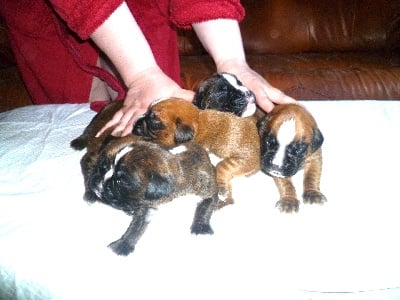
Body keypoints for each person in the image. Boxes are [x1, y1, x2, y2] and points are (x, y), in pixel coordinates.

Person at [0, 0, 296, 136]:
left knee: (162, 129)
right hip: (48, 17)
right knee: (76, 134)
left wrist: (232, 61)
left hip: (145, 10)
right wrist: (141, 72)